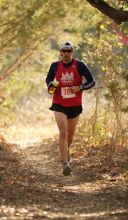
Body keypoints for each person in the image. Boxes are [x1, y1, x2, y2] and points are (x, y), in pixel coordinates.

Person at [46, 41, 95, 176]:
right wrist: (51, 85)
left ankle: (66, 151)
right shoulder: (55, 66)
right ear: (60, 52)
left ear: (72, 51)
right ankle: (65, 163)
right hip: (59, 103)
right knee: (63, 132)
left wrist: (79, 87)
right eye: (64, 51)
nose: (66, 53)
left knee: (70, 135)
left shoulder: (80, 65)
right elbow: (49, 80)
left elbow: (92, 81)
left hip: (75, 105)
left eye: (69, 51)